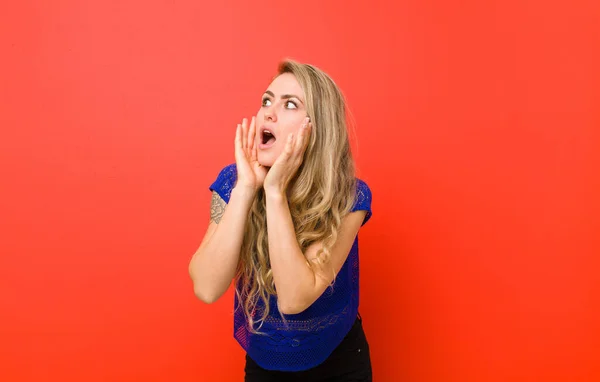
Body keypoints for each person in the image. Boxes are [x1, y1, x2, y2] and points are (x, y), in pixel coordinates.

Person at [189, 59, 373, 381]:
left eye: (290, 104)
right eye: (266, 101)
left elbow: (294, 299)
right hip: (265, 364)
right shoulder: (234, 182)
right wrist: (247, 188)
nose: (269, 112)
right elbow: (206, 287)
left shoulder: (349, 197)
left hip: (339, 364)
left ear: (317, 128)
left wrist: (275, 193)